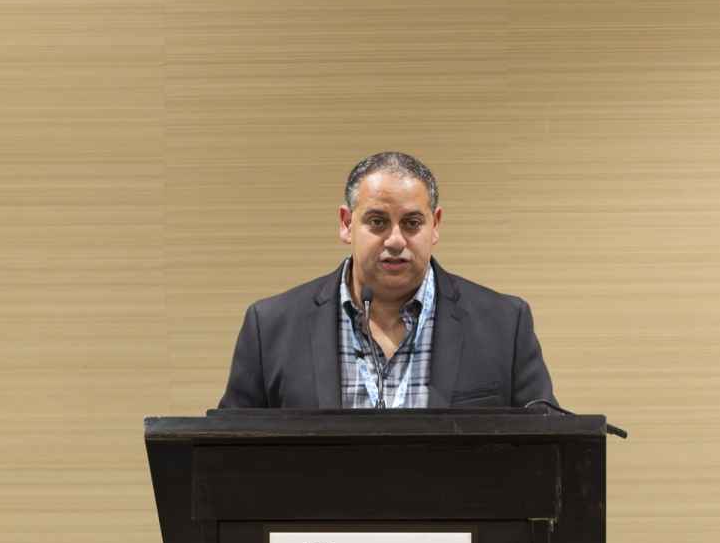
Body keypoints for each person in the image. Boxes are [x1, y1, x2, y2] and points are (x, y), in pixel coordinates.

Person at [218, 151, 557, 410]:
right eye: (378, 222)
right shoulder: (271, 327)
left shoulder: (504, 324)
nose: (395, 240)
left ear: (435, 225)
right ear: (346, 224)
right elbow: (228, 455)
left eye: (412, 223)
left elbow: (548, 445)